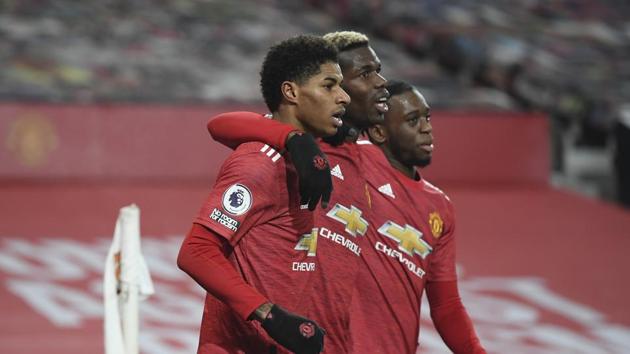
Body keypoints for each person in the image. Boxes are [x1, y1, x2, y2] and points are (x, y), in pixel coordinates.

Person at [206, 32, 485, 353]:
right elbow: (221, 124)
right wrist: (294, 140)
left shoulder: (399, 181)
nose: (382, 82)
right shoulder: (297, 153)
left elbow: (446, 304)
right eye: (364, 75)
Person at [177, 34, 350, 354]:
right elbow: (196, 251)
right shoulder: (259, 164)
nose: (343, 97)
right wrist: (269, 314)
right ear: (291, 92)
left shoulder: (313, 159)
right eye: (329, 85)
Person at [351, 80, 485, 353]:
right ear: (378, 131)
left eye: (427, 117)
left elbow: (445, 305)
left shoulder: (439, 206)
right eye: (413, 120)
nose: (427, 128)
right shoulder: (349, 160)